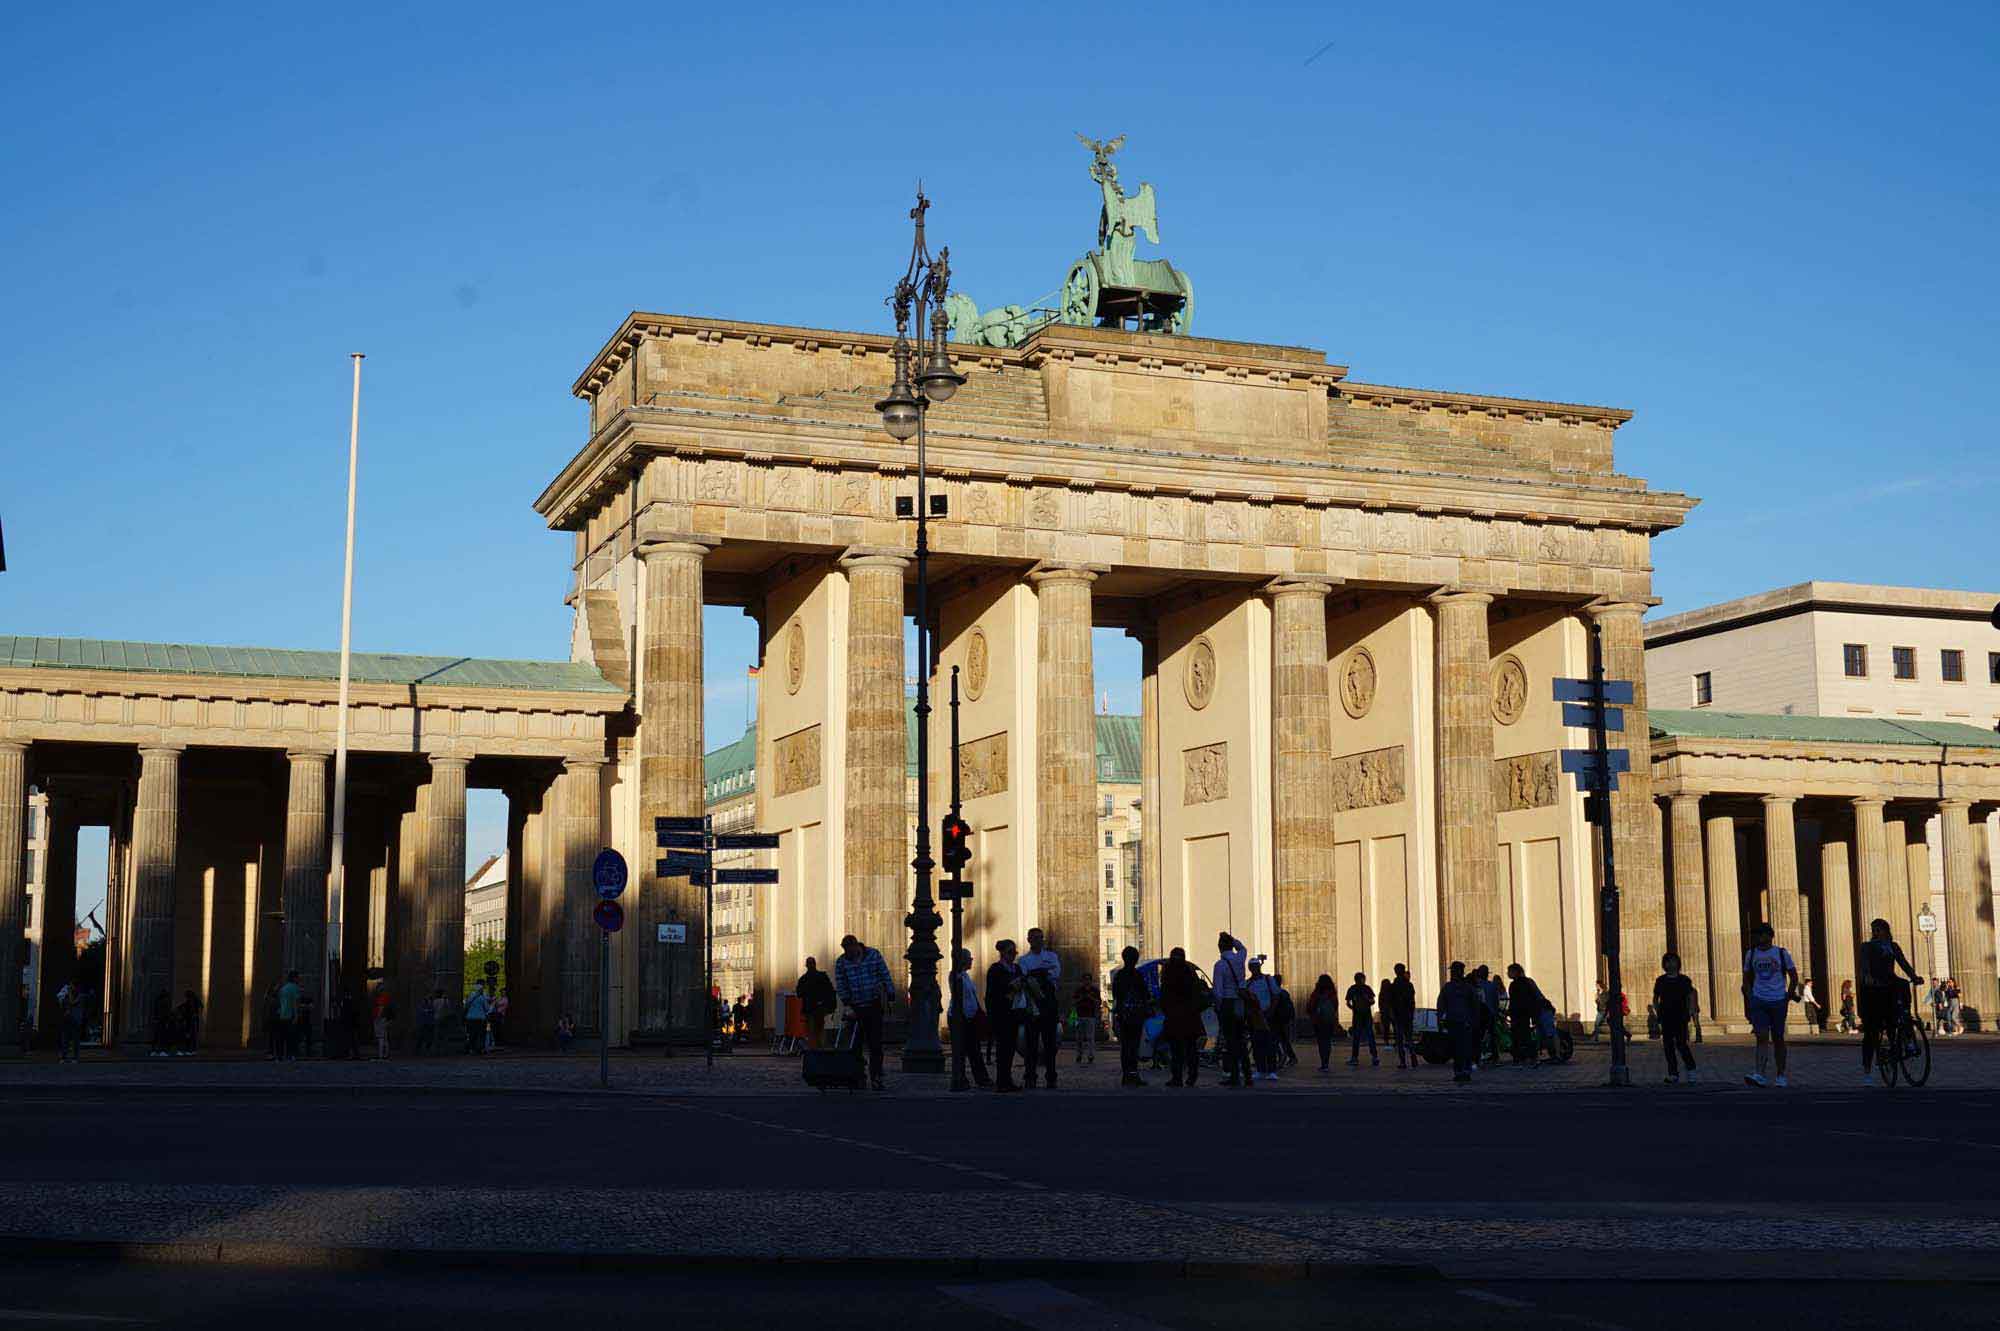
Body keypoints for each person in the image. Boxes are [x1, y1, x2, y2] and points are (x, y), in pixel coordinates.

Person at [1858, 918, 1923, 1085]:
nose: (1876, 933)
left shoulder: (1893, 946)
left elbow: (1903, 964)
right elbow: (1865, 966)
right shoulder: (1867, 947)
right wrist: (1868, 978)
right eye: (1874, 930)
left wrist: (1914, 977)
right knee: (1872, 1031)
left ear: (1886, 931)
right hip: (1874, 987)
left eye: (1879, 930)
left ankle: (1907, 1034)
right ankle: (1867, 1070)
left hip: (1890, 982)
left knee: (1902, 986)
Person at [834, 933, 896, 1091]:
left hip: (873, 1005)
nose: (849, 955)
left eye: (850, 950)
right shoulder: (841, 962)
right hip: (855, 1008)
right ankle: (859, 1076)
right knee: (855, 1045)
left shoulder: (873, 955)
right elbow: (841, 984)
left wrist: (890, 992)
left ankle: (876, 1077)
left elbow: (884, 973)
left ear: (856, 946)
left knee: (876, 1044)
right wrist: (846, 1002)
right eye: (846, 952)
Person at [1741, 922, 1798, 1087]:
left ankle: (1781, 1075)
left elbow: (1793, 975)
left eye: (1762, 934)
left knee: (1778, 1038)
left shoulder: (1781, 953)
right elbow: (1746, 977)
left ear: (1770, 935)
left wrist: (1787, 995)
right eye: (1757, 934)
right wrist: (1751, 996)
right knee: (1761, 1037)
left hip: (1778, 1000)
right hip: (1759, 1000)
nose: (1759, 937)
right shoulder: (1751, 954)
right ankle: (1759, 1073)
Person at [1018, 928, 1063, 1088]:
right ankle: (1030, 1076)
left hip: (1049, 1005)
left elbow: (1056, 974)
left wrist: (1036, 973)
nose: (1038, 940)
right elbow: (1025, 976)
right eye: (1035, 938)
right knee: (1031, 1044)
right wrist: (1043, 972)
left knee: (1050, 1044)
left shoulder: (1052, 956)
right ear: (1029, 940)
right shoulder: (1023, 959)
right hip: (1032, 1005)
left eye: (1040, 938)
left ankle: (1051, 1076)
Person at [1157, 946, 1202, 1088]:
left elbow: (1164, 994)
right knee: (1191, 1048)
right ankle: (1191, 1076)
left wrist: (1166, 1010)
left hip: (1174, 1016)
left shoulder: (1168, 971)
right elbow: (1197, 993)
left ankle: (1177, 1077)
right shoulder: (1189, 971)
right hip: (1189, 1016)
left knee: (1177, 1049)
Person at [1213, 931, 1253, 1087]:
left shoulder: (1220, 965)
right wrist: (1232, 939)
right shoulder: (1239, 959)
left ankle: (1235, 1075)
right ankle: (1248, 1074)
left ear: (1219, 947)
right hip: (1240, 1003)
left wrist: (1218, 1007)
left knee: (1230, 1042)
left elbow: (1218, 991)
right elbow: (1242, 948)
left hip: (1228, 1003)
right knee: (1241, 1040)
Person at [948, 947, 991, 1091]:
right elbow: (959, 997)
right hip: (960, 1018)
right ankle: (961, 1078)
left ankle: (981, 1078)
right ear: (962, 960)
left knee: (974, 1050)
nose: (972, 960)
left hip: (971, 1017)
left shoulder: (966, 976)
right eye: (969, 958)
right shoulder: (955, 976)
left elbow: (971, 997)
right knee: (961, 1050)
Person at [985, 939, 1025, 1092]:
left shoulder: (1016, 968)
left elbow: (1022, 984)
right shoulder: (995, 969)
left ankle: (1007, 1079)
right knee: (1002, 1049)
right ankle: (1001, 1081)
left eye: (1015, 952)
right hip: (1001, 1013)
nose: (1013, 955)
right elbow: (992, 993)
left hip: (1014, 1012)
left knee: (1010, 1048)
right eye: (1010, 952)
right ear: (1002, 953)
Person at [1653, 952, 1699, 1083]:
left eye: (1673, 961)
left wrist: (1691, 1010)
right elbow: (1656, 998)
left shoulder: (1684, 980)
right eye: (1667, 961)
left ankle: (1691, 1069)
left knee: (1681, 1044)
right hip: (1666, 1017)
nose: (1670, 964)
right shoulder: (1660, 981)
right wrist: (1658, 1011)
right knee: (1668, 1046)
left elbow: (1691, 995)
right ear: (1664, 964)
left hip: (1681, 1016)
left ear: (1678, 963)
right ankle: (1673, 1073)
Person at [1110, 946, 1151, 1088]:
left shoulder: (1119, 976)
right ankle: (1132, 1074)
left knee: (1126, 1046)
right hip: (1136, 1014)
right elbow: (1145, 994)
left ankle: (1127, 1075)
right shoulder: (1137, 975)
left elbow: (1115, 994)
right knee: (1133, 1046)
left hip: (1123, 1014)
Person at [1437, 961, 1483, 1083]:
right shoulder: (1454, 987)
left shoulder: (1462, 988)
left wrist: (1440, 1021)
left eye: (1454, 971)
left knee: (1462, 1048)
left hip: (1462, 1022)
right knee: (1459, 1048)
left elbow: (1474, 1006)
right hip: (1457, 1022)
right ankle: (1461, 1071)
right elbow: (1441, 1005)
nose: (1453, 973)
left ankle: (1463, 1071)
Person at [1505, 964, 1550, 1067]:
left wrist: (1510, 1011)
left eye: (1509, 971)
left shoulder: (1515, 985)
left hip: (1519, 1014)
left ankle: (1521, 1058)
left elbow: (1516, 1001)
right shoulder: (1527, 982)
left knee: (1519, 1036)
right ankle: (1529, 1057)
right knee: (1526, 1036)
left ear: (1515, 972)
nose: (1508, 973)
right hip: (1526, 1013)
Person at [1245, 956, 1280, 1081]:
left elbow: (1276, 996)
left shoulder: (1268, 979)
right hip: (1255, 1018)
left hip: (1268, 1016)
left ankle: (1272, 1070)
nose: (1255, 969)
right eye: (1252, 967)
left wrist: (1271, 1011)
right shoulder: (1248, 983)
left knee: (1270, 1044)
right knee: (1257, 1044)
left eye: (1256, 967)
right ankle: (1260, 1069)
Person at [796, 957, 837, 1049]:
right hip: (818, 1007)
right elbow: (830, 991)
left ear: (806, 965)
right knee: (819, 1029)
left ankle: (814, 1048)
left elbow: (799, 993)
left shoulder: (803, 979)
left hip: (812, 1008)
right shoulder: (821, 976)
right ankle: (818, 1047)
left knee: (813, 1030)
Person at [1383, 963, 1417, 1069]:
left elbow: (1389, 1002)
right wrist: (1411, 1013)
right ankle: (1413, 1057)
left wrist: (1392, 1013)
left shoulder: (1393, 986)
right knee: (1409, 1038)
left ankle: (1403, 1062)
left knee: (1400, 1040)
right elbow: (1412, 1001)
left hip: (1398, 1016)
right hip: (1407, 1015)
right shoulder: (1409, 985)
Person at [1305, 974, 1341, 1072]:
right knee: (1327, 1041)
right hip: (1329, 1020)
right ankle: (1326, 1062)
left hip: (1318, 1020)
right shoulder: (1332, 993)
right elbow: (1335, 1006)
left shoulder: (1316, 993)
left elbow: (1311, 1006)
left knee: (1321, 1042)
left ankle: (1323, 1063)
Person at [1345, 971, 1379, 1068]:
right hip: (1366, 1015)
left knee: (1356, 1037)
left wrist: (1353, 1008)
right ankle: (1374, 1057)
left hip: (1357, 1016)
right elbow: (1372, 1001)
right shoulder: (1367, 988)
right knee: (1370, 1036)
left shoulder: (1352, 989)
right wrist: (1367, 1002)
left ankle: (1355, 1058)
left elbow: (1348, 1002)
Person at [1476, 966, 1505, 1064]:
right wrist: (1496, 1012)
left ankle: (1480, 1055)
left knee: (1480, 1035)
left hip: (1479, 1015)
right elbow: (1496, 1001)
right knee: (1492, 1035)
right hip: (1490, 1014)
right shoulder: (1491, 986)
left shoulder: (1475, 986)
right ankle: (1494, 1055)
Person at [1270, 974, 1299, 1068]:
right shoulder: (1284, 992)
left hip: (1277, 1019)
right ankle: (1289, 1058)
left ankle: (1282, 1058)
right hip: (1284, 1019)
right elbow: (1290, 1007)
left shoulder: (1275, 993)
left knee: (1277, 1040)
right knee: (1283, 1040)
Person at [1072, 980, 1100, 1066]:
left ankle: (1090, 1055)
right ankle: (1079, 1054)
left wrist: (1090, 998)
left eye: (1088, 980)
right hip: (1080, 1015)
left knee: (1090, 1037)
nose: (1086, 982)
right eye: (1085, 979)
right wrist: (1082, 998)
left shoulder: (1095, 990)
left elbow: (1098, 1002)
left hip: (1090, 1016)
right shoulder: (1079, 990)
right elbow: (1073, 1002)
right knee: (1079, 1038)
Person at [277, 971, 303, 1061]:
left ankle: (280, 1055)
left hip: (282, 1015)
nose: (299, 979)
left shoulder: (283, 988)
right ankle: (291, 1055)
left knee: (282, 1037)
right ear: (294, 978)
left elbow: (280, 1002)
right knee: (292, 1037)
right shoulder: (295, 988)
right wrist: (296, 1015)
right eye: (298, 977)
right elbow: (296, 1003)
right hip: (290, 1015)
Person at [464, 981, 491, 1055]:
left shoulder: (471, 996)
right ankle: (480, 1049)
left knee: (471, 1034)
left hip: (470, 1018)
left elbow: (466, 1005)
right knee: (481, 1034)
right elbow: (487, 1008)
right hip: (480, 1018)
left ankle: (471, 1049)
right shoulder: (483, 997)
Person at [176, 989, 202, 1056]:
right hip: (190, 1021)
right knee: (190, 1036)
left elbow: (192, 1011)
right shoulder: (193, 1002)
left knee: (189, 1036)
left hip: (191, 1022)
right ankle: (190, 1049)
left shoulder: (192, 1002)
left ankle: (189, 1049)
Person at [371, 982, 393, 1059]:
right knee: (384, 1037)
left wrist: (378, 1018)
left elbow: (381, 1008)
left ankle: (381, 1054)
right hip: (384, 1018)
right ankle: (386, 1054)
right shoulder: (386, 997)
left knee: (381, 1037)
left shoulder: (382, 997)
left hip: (381, 1019)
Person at [415, 988, 439, 1055]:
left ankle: (427, 1048)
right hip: (424, 1022)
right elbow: (421, 1010)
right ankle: (419, 1049)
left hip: (430, 1022)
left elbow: (433, 1010)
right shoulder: (423, 1003)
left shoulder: (432, 1002)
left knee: (430, 1036)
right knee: (421, 1035)